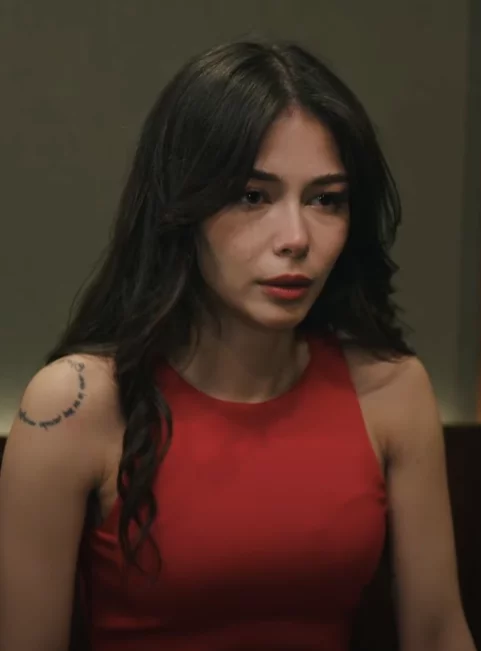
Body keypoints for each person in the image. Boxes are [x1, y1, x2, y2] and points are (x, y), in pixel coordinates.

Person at [0, 39, 475, 651]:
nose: (296, 237)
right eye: (253, 196)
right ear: (182, 206)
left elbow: (437, 632)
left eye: (325, 199)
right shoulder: (75, 403)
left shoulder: (391, 389)